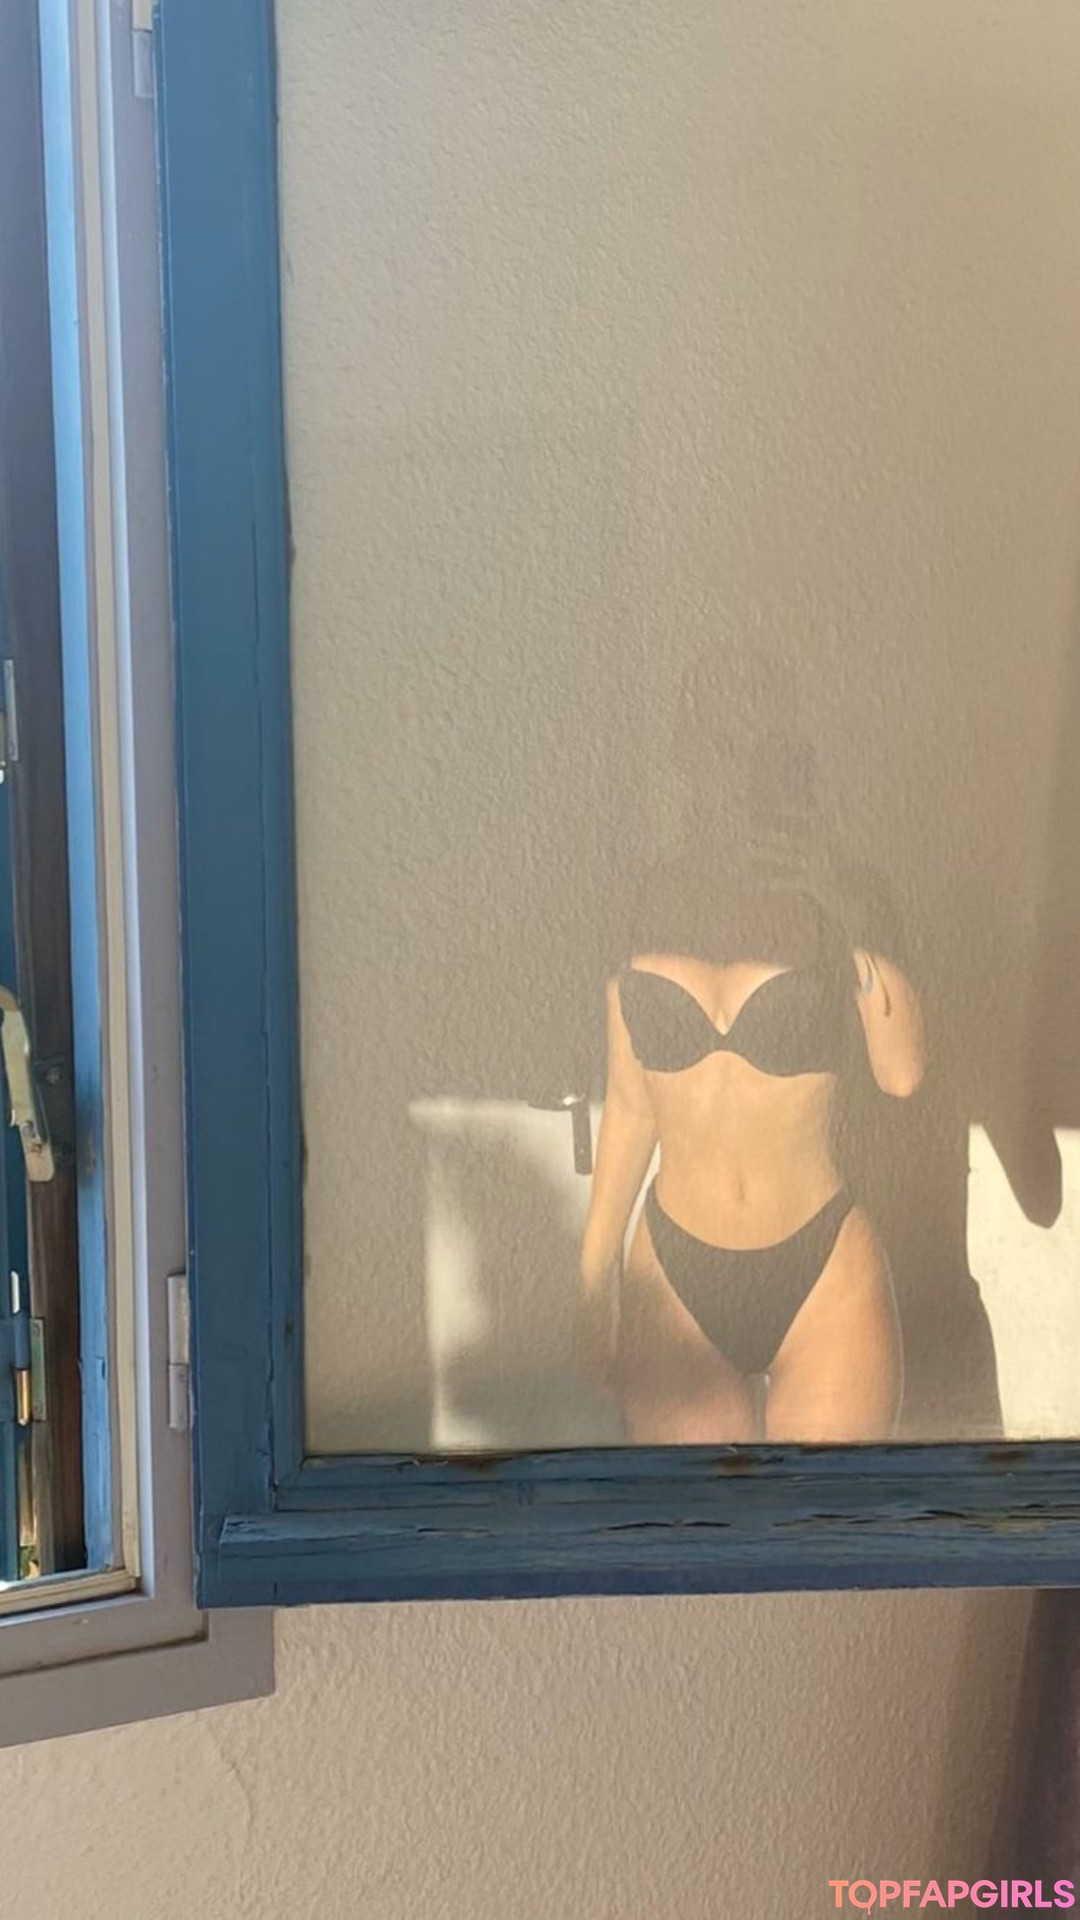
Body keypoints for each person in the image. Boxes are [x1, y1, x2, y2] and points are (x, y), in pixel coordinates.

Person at [575, 698, 926, 1444]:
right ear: (686, 757)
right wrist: (593, 1280)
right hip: (674, 1270)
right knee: (694, 1515)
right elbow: (631, 1105)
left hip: (822, 1265)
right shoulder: (644, 898)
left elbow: (901, 1074)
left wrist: (844, 908)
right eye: (716, 745)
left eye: (755, 749)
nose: (735, 771)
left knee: (831, 1513)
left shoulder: (845, 895)